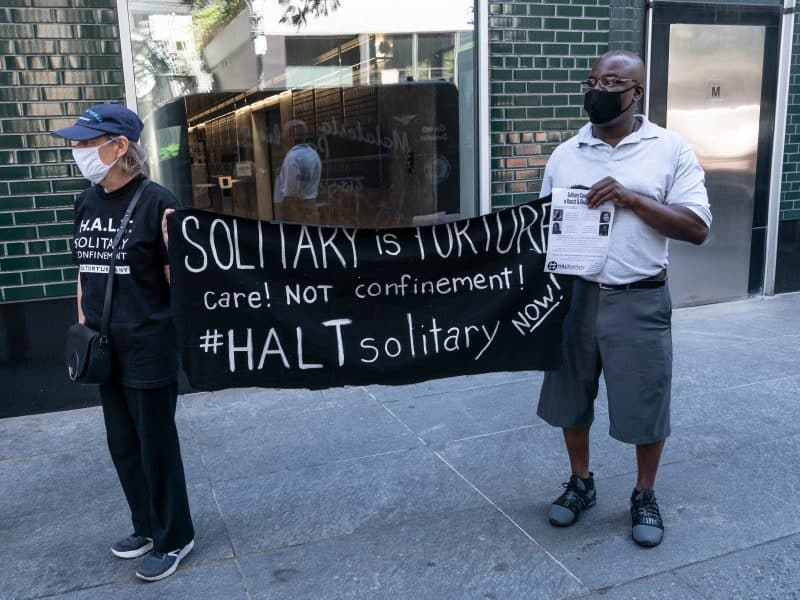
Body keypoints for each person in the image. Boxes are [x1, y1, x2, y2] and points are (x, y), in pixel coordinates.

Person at [537, 51, 711, 548]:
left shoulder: (670, 148)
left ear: (636, 93)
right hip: (575, 297)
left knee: (645, 402)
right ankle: (581, 483)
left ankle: (644, 493)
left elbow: (697, 228)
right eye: (593, 80)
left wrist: (632, 198)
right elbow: (540, 226)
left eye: (613, 81)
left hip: (639, 298)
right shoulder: (567, 152)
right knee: (570, 398)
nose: (599, 88)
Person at [53, 104, 195, 580]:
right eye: (75, 143)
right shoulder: (86, 202)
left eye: (86, 143)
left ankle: (176, 536)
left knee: (156, 444)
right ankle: (146, 526)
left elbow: (179, 280)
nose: (78, 152)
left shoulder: (159, 202)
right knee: (123, 443)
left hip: (149, 343)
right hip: (104, 348)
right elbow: (84, 270)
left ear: (119, 147)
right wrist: (83, 329)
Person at [273, 143, 322, 223]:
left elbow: (299, 177)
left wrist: (299, 191)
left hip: (296, 198)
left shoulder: (293, 156)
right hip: (309, 199)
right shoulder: (314, 154)